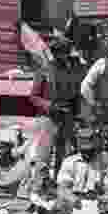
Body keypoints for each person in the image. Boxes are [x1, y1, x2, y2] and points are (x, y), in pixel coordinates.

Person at [30, 36, 84, 175]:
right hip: (48, 118)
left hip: (66, 116)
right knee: (44, 154)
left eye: (65, 52)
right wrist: (50, 106)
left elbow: (76, 94)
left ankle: (58, 183)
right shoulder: (45, 70)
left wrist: (77, 114)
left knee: (64, 153)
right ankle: (39, 184)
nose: (63, 55)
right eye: (60, 52)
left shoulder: (72, 71)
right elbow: (33, 97)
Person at [57, 128, 108, 207]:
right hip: (73, 202)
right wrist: (74, 200)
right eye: (83, 151)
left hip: (97, 202)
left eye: (90, 150)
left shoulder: (105, 161)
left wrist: (101, 199)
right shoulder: (69, 162)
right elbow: (62, 187)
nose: (87, 154)